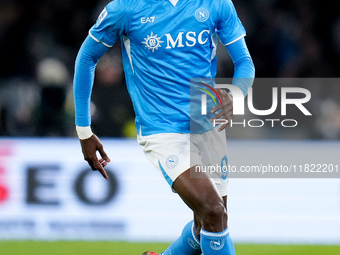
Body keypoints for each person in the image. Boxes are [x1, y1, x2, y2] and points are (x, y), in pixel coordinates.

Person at [73, 0, 255, 254]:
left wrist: (236, 94)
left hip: (209, 126)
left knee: (208, 224)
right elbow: (86, 58)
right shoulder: (126, 8)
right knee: (213, 211)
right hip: (162, 129)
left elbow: (244, 61)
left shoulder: (216, 4)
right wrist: (84, 130)